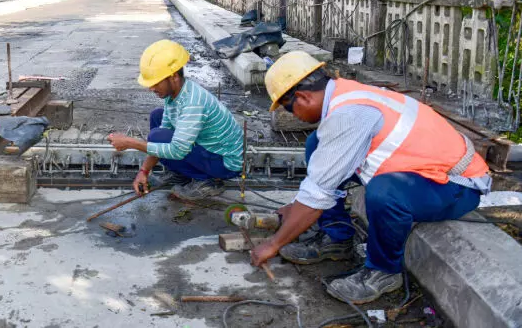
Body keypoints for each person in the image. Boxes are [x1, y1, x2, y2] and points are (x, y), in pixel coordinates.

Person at [250, 51, 491, 304]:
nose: (295, 116)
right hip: (420, 171)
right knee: (316, 144)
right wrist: (294, 208)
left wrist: (273, 244)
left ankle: (384, 271)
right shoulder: (345, 93)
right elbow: (323, 175)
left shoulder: (349, 115)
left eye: (290, 109)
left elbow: (317, 194)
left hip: (456, 185)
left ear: (302, 97)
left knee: (383, 192)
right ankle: (336, 237)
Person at [107, 40, 244, 200]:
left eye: (156, 83)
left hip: (225, 163)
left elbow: (176, 149)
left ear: (173, 77)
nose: (151, 89)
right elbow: (163, 134)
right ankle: (181, 174)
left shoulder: (193, 102)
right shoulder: (174, 95)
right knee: (157, 117)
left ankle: (209, 181)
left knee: (157, 137)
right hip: (209, 150)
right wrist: (143, 171)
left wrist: (130, 143)